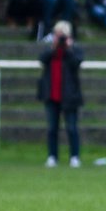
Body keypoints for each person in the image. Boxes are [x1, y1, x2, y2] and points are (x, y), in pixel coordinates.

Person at [37, 20, 83, 169]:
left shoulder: (74, 50)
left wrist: (68, 49)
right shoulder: (51, 50)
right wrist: (54, 48)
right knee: (52, 128)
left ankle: (74, 157)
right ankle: (52, 156)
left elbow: (77, 62)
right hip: (52, 94)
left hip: (69, 95)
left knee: (72, 128)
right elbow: (42, 59)